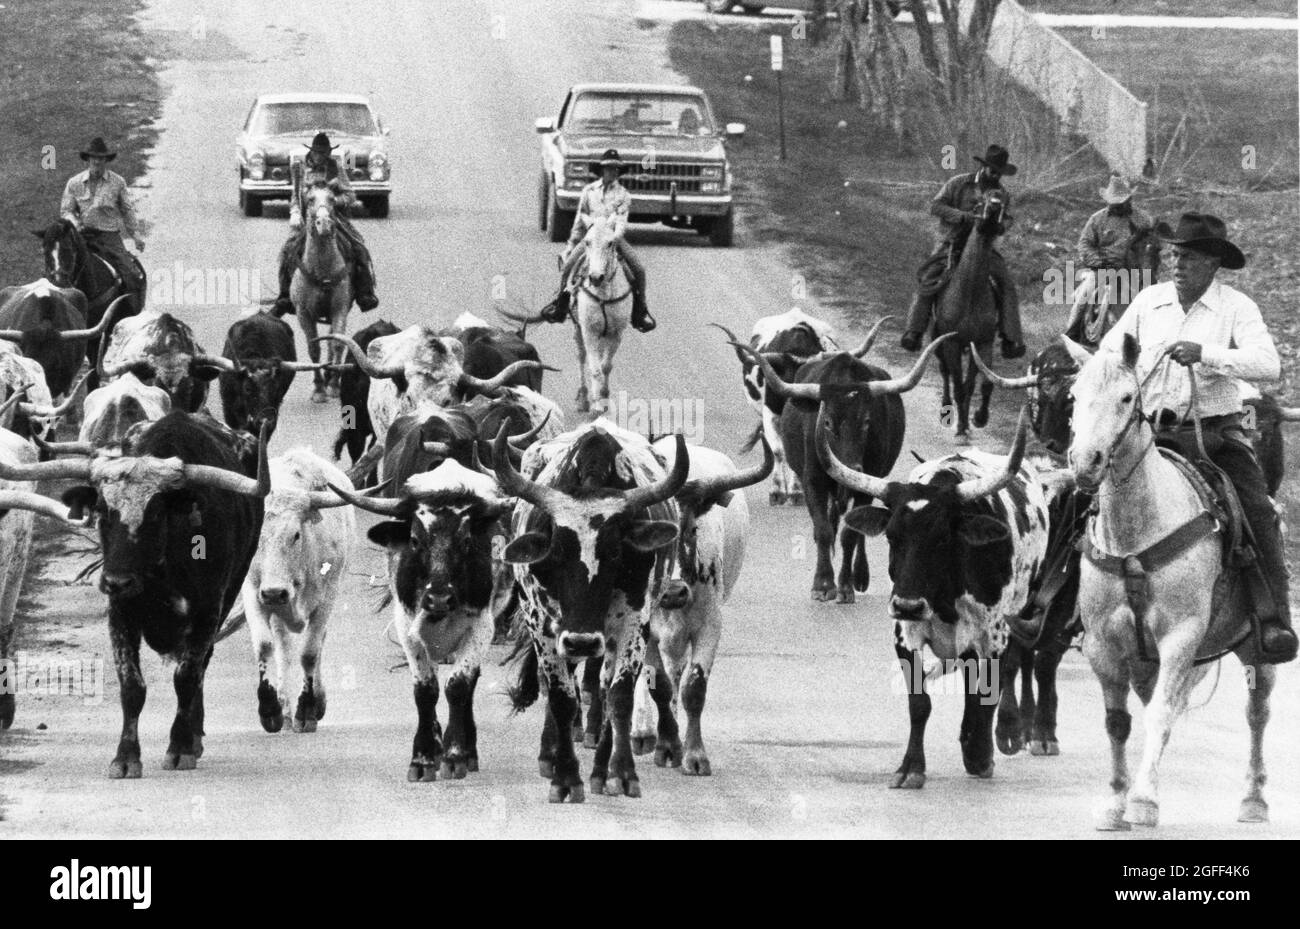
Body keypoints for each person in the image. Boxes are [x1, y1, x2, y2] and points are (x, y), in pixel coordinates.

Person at [1098, 211, 1296, 664]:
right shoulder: (1149, 302)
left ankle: (1271, 619)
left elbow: (1269, 364)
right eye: (1173, 254)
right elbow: (1110, 351)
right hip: (1147, 432)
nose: (1176, 263)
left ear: (1212, 263)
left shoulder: (1237, 308)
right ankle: (1056, 603)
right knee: (1085, 494)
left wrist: (1207, 354)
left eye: (1187, 256)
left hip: (1213, 434)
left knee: (1257, 513)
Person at [899, 144, 1026, 359]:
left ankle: (1010, 338)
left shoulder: (1002, 195)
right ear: (984, 167)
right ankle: (915, 330)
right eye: (992, 169)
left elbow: (1008, 220)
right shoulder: (959, 183)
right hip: (951, 244)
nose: (995, 175)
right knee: (929, 279)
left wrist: (998, 226)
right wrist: (961, 216)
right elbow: (936, 206)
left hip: (984, 247)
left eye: (999, 172)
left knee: (1006, 284)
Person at [542, 149, 655, 333]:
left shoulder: (623, 195)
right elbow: (580, 220)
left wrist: (613, 239)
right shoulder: (589, 191)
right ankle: (560, 305)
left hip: (612, 238)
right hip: (591, 239)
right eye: (608, 168)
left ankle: (640, 310)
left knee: (638, 270)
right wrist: (570, 245)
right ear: (601, 170)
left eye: (615, 169)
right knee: (569, 266)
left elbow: (621, 221)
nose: (612, 172)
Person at [272, 132, 378, 316]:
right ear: (311, 152)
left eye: (325, 152)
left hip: (334, 218)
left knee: (358, 248)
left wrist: (333, 202)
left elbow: (350, 196)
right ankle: (285, 296)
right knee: (288, 250)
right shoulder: (300, 169)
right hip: (308, 220)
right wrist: (295, 212)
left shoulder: (336, 168)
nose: (321, 156)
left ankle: (365, 293)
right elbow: (295, 196)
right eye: (318, 152)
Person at [1063, 174, 1156, 335]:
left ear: (1129, 200)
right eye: (1114, 203)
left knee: (1159, 297)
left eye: (1121, 203)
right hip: (1103, 269)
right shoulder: (1097, 219)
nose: (1117, 206)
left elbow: (1153, 243)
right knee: (1083, 297)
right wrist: (1097, 261)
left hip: (1137, 270)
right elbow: (1084, 244)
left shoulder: (1144, 219)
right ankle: (1071, 334)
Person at [59, 137, 146, 294]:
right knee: (61, 271)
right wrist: (76, 224)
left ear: (106, 160)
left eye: (100, 158)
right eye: (94, 158)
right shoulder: (74, 183)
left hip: (109, 237)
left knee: (132, 275)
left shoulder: (118, 182)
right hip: (82, 236)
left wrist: (136, 235)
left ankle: (133, 312)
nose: (97, 162)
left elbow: (127, 210)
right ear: (88, 159)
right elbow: (66, 211)